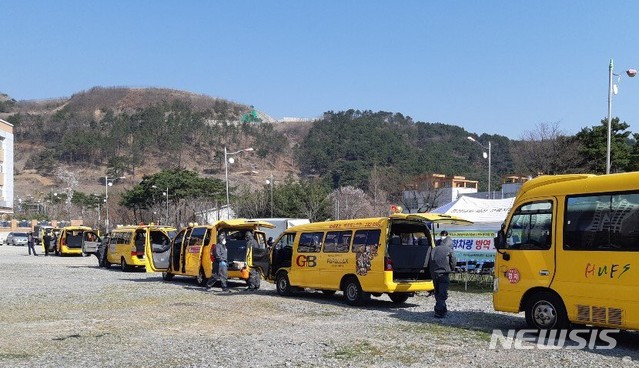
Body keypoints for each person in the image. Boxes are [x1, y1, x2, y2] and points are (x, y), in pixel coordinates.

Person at [429, 230, 456, 318]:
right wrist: (451, 269)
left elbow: (430, 261)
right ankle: (439, 311)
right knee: (442, 293)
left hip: (435, 273)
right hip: (444, 273)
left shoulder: (434, 249)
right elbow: (453, 262)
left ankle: (442, 309)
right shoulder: (449, 249)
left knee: (437, 292)